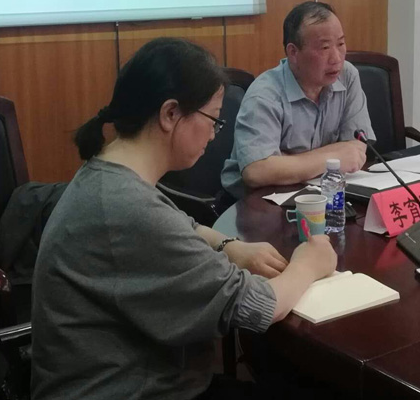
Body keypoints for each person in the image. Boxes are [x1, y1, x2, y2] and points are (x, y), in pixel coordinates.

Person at [31, 37, 337, 400]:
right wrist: (308, 264)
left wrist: (229, 245)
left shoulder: (108, 174)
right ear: (170, 114)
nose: (214, 135)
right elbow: (256, 305)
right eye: (213, 120)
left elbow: (177, 225)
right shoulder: (125, 206)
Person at [221, 1, 374, 199]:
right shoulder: (265, 94)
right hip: (257, 202)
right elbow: (257, 171)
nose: (336, 58)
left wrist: (288, 163)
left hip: (319, 195)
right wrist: (333, 156)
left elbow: (356, 150)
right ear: (293, 52)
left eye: (341, 44)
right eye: (325, 47)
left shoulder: (347, 76)